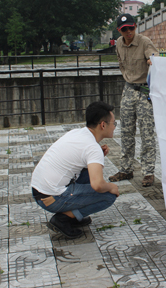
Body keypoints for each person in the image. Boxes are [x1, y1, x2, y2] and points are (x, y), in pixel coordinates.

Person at [31, 101, 119, 239]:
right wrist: (111, 186)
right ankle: (64, 219)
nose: (114, 127)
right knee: (108, 196)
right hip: (51, 198)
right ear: (103, 125)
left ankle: (73, 215)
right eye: (114, 123)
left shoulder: (77, 133)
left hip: (39, 190)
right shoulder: (92, 147)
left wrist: (97, 157)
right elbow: (98, 185)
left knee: (87, 173)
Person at [108, 13, 159, 187]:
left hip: (144, 91)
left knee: (147, 133)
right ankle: (126, 168)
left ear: (135, 26)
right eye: (124, 29)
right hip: (129, 90)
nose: (128, 32)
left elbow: (153, 56)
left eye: (131, 28)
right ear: (119, 31)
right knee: (126, 132)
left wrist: (152, 60)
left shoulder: (144, 41)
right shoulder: (119, 45)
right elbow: (121, 64)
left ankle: (148, 171)